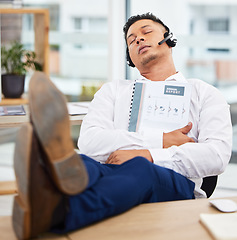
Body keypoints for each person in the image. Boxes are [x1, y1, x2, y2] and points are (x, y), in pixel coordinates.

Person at [12, 13, 232, 240]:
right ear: (130, 56)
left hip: (177, 182)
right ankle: (43, 190)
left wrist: (148, 155)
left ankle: (55, 210)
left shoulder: (204, 93)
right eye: (131, 40)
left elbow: (217, 155)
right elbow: (89, 142)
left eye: (146, 32)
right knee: (81, 161)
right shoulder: (113, 91)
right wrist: (161, 140)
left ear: (168, 39)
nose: (138, 40)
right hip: (110, 170)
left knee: (140, 168)